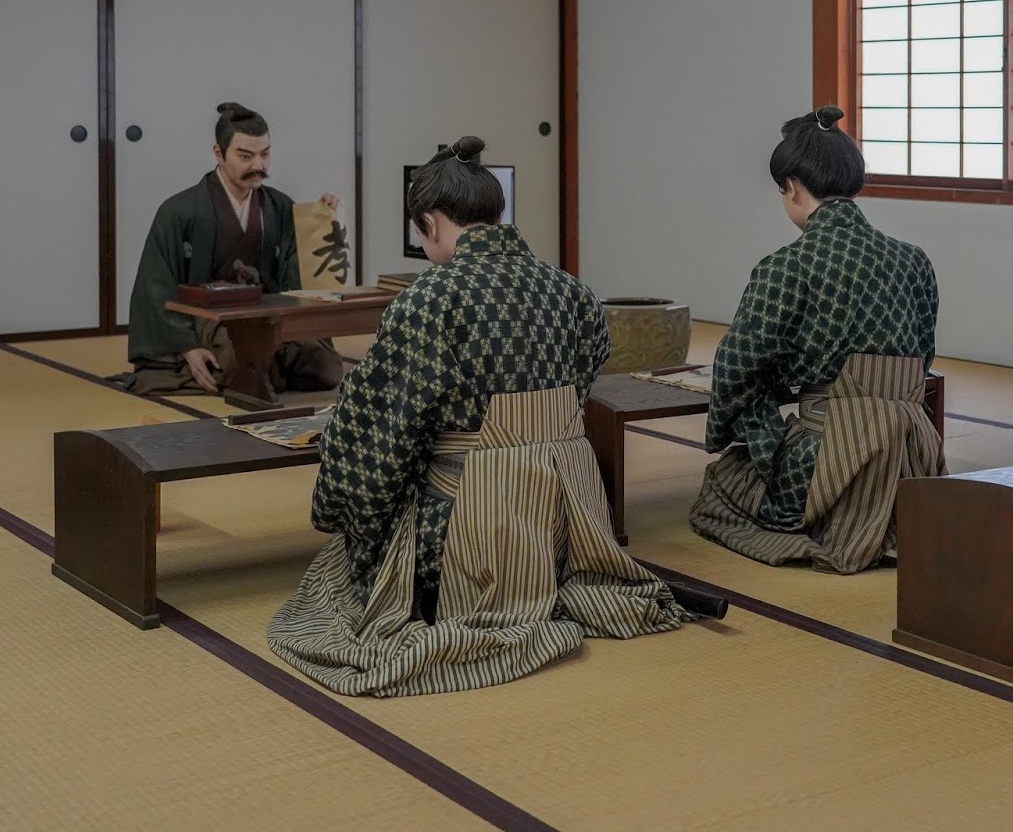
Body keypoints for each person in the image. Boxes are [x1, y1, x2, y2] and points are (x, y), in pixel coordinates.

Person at [267, 137, 698, 696]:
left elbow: (379, 432)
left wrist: (345, 516)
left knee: (345, 559)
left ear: (431, 224)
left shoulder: (428, 299)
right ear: (498, 215)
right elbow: (580, 387)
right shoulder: (572, 291)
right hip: (567, 524)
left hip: (465, 528)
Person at [687, 105, 944, 574]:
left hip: (828, 454)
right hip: (915, 454)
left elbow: (738, 362)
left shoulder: (788, 265)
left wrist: (736, 429)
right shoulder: (913, 259)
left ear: (792, 188)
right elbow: (923, 354)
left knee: (719, 489)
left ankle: (831, 522)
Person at [123, 102, 345, 397]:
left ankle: (265, 369)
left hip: (269, 314)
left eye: (265, 154)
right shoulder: (179, 211)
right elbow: (156, 285)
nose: (259, 166)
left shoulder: (279, 206)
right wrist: (187, 347)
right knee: (233, 363)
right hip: (211, 320)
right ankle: (256, 369)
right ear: (219, 153)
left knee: (327, 369)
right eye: (245, 155)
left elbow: (302, 273)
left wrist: (321, 221)